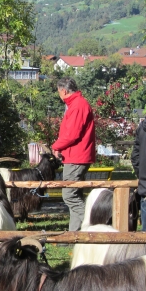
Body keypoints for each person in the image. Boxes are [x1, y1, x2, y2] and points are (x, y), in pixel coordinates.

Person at [51, 77, 95, 231]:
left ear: (63, 90)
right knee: (75, 195)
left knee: (69, 195)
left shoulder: (77, 105)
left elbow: (72, 134)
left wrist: (56, 146)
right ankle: (74, 234)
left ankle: (93, 225)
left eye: (58, 92)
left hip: (76, 157)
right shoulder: (77, 104)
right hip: (76, 156)